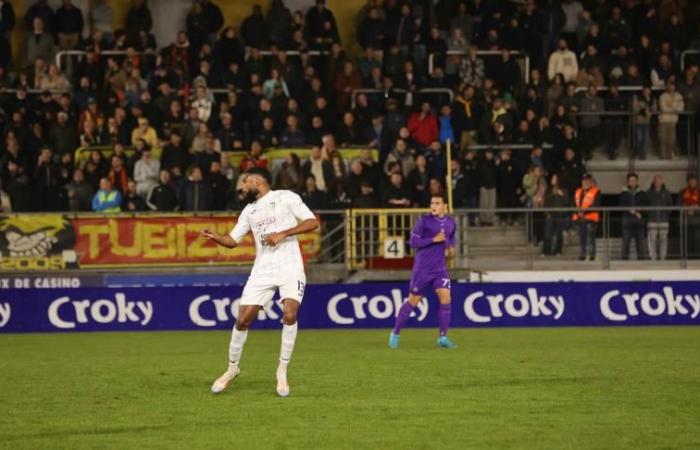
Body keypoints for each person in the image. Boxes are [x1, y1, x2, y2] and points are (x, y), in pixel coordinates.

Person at [201, 167, 319, 397]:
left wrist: (282, 234)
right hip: (262, 269)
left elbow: (311, 222)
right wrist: (218, 237)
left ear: (257, 181)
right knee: (243, 320)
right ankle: (232, 369)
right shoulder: (248, 211)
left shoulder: (285, 197)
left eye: (245, 184)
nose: (242, 189)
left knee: (290, 314)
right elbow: (233, 240)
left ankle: (282, 370)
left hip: (289, 264)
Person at [389, 193, 457, 350]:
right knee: (413, 301)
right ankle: (395, 333)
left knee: (446, 300)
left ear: (445, 206)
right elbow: (413, 242)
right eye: (432, 202)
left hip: (440, 269)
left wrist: (450, 248)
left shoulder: (451, 223)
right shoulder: (424, 221)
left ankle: (442, 337)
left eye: (437, 203)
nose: (433, 205)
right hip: (422, 269)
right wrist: (434, 240)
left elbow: (451, 241)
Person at [572, 174, 600, 261]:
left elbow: (596, 204)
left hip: (591, 219)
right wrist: (578, 212)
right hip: (579, 219)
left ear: (591, 182)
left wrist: (584, 211)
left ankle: (592, 255)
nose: (585, 182)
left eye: (587, 181)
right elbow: (573, 204)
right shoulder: (577, 191)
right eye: (584, 180)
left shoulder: (596, 191)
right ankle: (582, 255)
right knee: (582, 238)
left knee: (591, 238)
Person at [619, 173, 647, 260]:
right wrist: (632, 211)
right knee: (625, 245)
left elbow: (645, 205)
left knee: (640, 246)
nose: (632, 182)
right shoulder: (623, 193)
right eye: (631, 180)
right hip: (627, 222)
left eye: (634, 180)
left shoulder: (642, 193)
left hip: (639, 223)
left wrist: (639, 212)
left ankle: (641, 266)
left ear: (637, 181)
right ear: (628, 182)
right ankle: (623, 265)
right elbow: (621, 205)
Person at [647, 175, 672, 260]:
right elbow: (645, 206)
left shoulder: (667, 193)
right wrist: (649, 214)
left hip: (663, 220)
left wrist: (666, 214)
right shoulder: (648, 193)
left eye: (659, 181)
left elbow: (670, 206)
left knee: (663, 239)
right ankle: (652, 257)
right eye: (655, 181)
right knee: (652, 240)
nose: (657, 183)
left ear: (662, 182)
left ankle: (663, 257)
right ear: (653, 182)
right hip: (651, 220)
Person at [680, 175, 700, 258]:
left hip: (697, 220)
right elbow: (678, 205)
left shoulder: (699, 192)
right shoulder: (682, 192)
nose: (692, 182)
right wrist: (686, 209)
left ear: (696, 182)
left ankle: (696, 257)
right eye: (690, 181)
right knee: (686, 240)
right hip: (685, 220)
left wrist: (695, 210)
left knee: (697, 239)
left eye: (693, 181)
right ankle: (686, 257)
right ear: (688, 182)